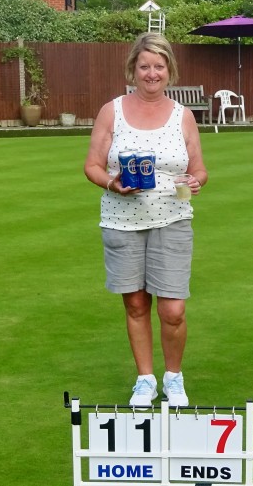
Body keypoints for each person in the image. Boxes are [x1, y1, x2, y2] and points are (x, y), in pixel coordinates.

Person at [84, 32, 208, 408]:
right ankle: (145, 379)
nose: (152, 73)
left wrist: (194, 181)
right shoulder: (113, 111)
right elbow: (91, 165)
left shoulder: (183, 116)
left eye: (159, 66)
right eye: (144, 66)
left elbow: (199, 170)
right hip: (122, 220)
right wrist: (111, 182)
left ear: (169, 70)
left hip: (172, 218)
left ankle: (173, 377)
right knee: (136, 305)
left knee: (173, 309)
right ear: (133, 70)